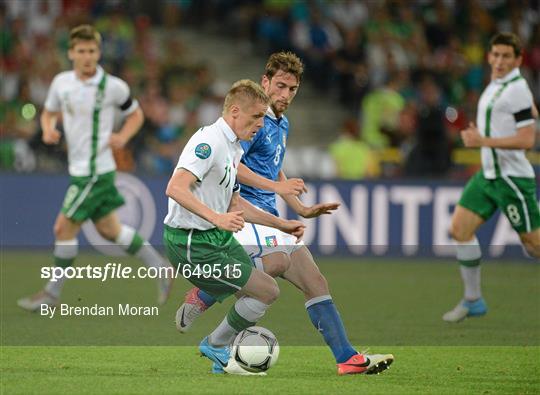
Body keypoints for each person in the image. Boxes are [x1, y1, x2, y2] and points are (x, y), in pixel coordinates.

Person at [177, 52, 394, 375]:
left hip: (268, 213)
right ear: (265, 82)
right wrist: (276, 189)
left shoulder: (282, 122)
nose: (285, 95)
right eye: (280, 86)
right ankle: (211, 289)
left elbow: (274, 169)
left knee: (315, 280)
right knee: (276, 263)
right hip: (241, 212)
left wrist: (300, 207)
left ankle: (346, 358)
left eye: (292, 89)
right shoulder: (254, 119)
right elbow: (234, 166)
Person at [17, 25, 172, 311]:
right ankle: (160, 267)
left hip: (96, 171)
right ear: (71, 53)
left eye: (92, 51)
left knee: (62, 227)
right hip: (79, 168)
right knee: (110, 230)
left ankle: (51, 294)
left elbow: (136, 114)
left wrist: (123, 137)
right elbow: (49, 112)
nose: (87, 56)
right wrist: (49, 128)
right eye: (81, 51)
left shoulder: (113, 86)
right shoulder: (61, 83)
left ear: (98, 53)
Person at [163, 79, 305, 375]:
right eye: (256, 118)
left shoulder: (234, 149)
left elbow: (236, 205)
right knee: (267, 290)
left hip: (216, 239)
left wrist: (281, 223)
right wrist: (217, 219)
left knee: (269, 269)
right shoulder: (209, 142)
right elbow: (175, 188)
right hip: (191, 243)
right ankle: (215, 345)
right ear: (235, 112)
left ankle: (217, 351)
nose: (260, 125)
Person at [443, 32, 540, 323]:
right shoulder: (499, 84)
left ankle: (473, 299)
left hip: (511, 178)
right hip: (488, 175)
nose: (499, 60)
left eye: (506, 56)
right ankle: (473, 300)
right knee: (460, 229)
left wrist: (482, 141)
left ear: (518, 60)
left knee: (534, 246)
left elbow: (526, 140)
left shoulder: (517, 89)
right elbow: (529, 114)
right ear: (488, 56)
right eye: (495, 54)